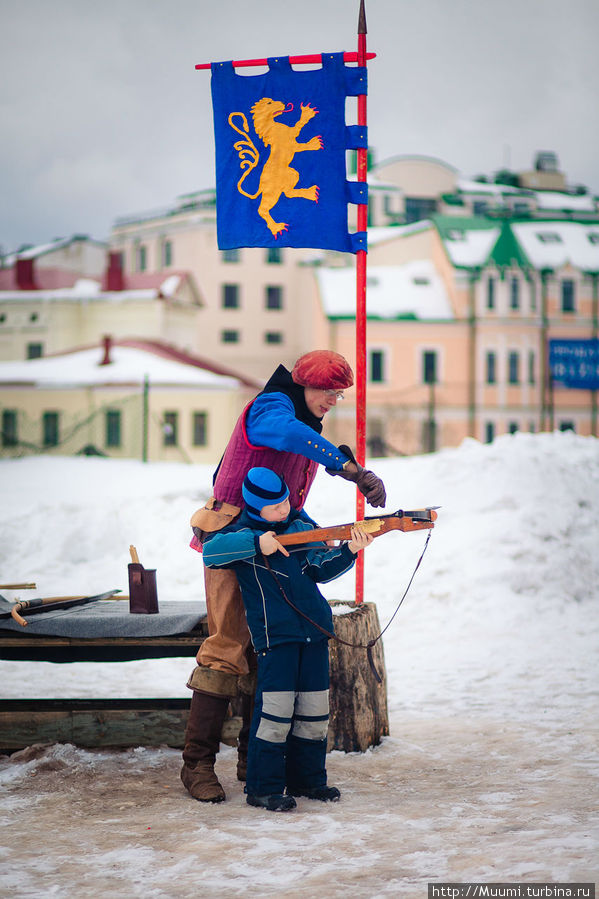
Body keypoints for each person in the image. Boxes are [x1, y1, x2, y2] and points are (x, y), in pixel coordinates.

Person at [182, 350, 386, 802]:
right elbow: (285, 433)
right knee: (228, 648)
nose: (334, 400)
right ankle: (196, 764)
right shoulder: (272, 407)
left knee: (266, 649)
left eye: (339, 393)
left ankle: (254, 761)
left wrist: (321, 538)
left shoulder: (306, 423)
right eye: (328, 391)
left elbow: (290, 497)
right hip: (237, 536)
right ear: (303, 386)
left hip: (284, 534)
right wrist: (348, 467)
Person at [202, 467, 374, 811]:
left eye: (285, 503)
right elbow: (211, 552)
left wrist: (349, 551)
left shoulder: (300, 527)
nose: (284, 510)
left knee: (313, 713)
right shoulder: (242, 535)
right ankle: (262, 788)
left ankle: (308, 780)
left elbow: (319, 569)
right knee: (275, 715)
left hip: (314, 632)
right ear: (256, 508)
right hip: (275, 638)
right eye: (276, 508)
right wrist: (256, 542)